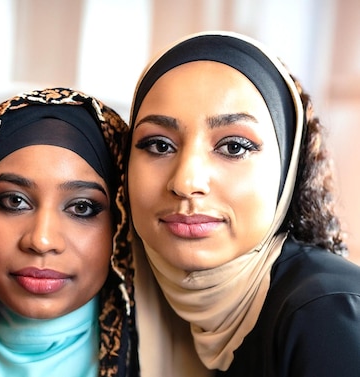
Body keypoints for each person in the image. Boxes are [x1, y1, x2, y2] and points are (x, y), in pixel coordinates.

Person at [127, 30, 360, 376]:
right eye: (159, 145)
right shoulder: (145, 293)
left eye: (234, 146)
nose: (186, 182)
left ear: (287, 171)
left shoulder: (323, 313)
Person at [0, 87, 138, 376]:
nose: (42, 241)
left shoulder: (172, 359)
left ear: (121, 224)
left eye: (82, 207)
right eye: (14, 201)